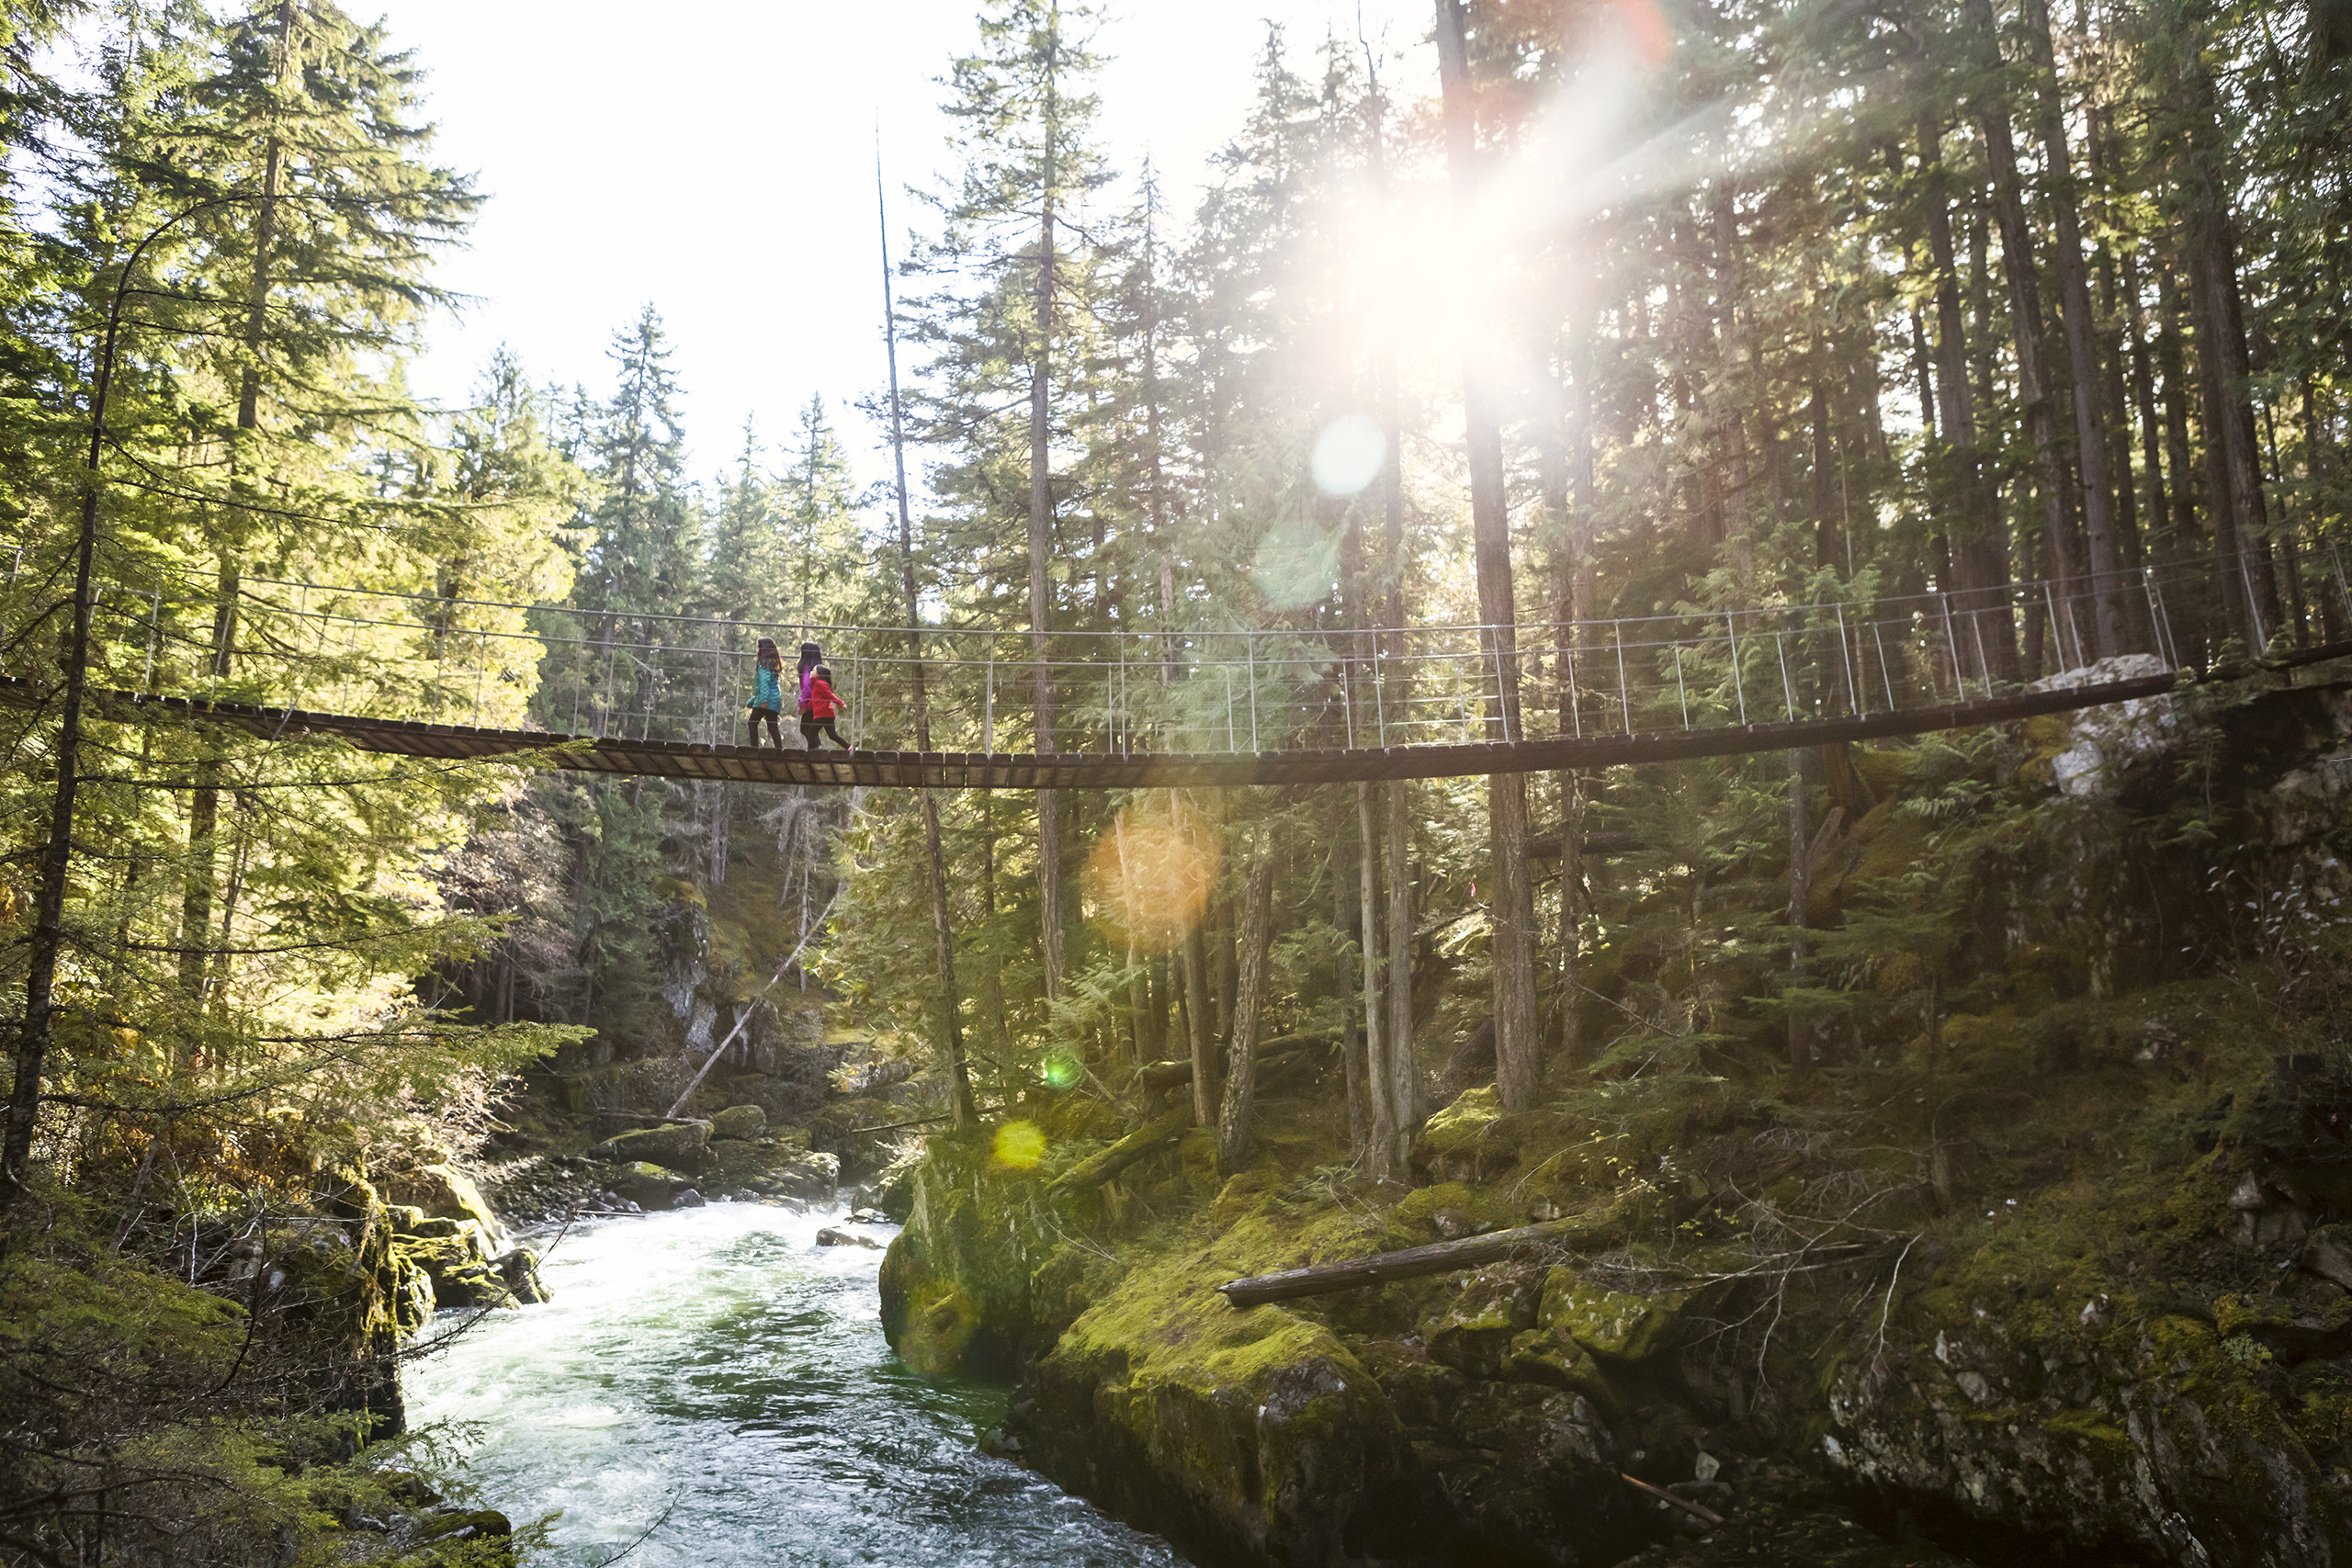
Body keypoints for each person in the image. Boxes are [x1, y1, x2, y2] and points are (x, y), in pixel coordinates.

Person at [747, 637, 786, 748]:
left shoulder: (763, 663)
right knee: (772, 727)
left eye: (758, 647)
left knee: (752, 723)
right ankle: (779, 750)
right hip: (774, 699)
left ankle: (754, 748)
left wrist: (763, 700)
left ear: (762, 649)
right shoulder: (772, 663)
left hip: (766, 700)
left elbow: (764, 683)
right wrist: (752, 701)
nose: (756, 649)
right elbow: (766, 684)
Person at [802, 663, 851, 750]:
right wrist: (806, 708)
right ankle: (849, 747)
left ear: (819, 674)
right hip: (826, 714)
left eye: (813, 670)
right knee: (832, 735)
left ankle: (811, 751)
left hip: (822, 714)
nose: (811, 672)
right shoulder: (815, 685)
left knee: (811, 732)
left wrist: (840, 703)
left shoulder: (820, 684)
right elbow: (814, 701)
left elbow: (830, 695)